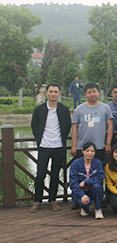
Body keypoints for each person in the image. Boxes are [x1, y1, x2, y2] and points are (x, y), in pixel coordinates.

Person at [30, 83, 72, 212]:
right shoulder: (39, 110)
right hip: (44, 146)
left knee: (55, 175)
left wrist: (61, 139)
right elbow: (34, 126)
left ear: (59, 94)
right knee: (40, 174)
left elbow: (67, 126)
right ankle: (37, 201)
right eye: (51, 91)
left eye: (55, 92)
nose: (53, 94)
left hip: (58, 147)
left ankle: (52, 200)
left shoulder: (64, 110)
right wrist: (40, 140)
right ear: (46, 93)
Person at [71, 82, 114, 163]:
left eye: (94, 91)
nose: (92, 94)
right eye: (89, 92)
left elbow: (110, 126)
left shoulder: (106, 108)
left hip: (99, 146)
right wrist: (74, 146)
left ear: (98, 92)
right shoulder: (79, 109)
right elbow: (74, 127)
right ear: (85, 94)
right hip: (82, 147)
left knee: (99, 168)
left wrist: (108, 144)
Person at [69, 142, 105, 219]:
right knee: (84, 203)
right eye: (87, 151)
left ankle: (98, 209)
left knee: (97, 186)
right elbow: (73, 183)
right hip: (81, 191)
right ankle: (85, 208)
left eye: (92, 151)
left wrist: (86, 182)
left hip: (93, 189)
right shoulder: (76, 164)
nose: (89, 153)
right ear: (82, 151)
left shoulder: (98, 163)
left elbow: (100, 177)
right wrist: (82, 195)